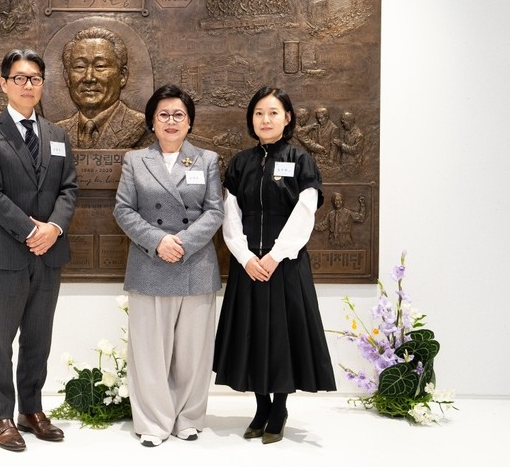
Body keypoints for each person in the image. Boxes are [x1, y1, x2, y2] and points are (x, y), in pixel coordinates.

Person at [0, 49, 78, 452]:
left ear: (42, 84)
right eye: (19, 78)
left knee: (38, 338)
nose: (27, 85)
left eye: (34, 78)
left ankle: (31, 410)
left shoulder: (57, 136)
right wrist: (31, 230)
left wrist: (54, 228)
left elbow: (69, 189)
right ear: (4, 84)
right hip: (4, 255)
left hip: (49, 254)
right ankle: (1, 416)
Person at [212, 86, 336, 445]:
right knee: (251, 333)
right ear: (251, 119)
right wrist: (246, 257)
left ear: (287, 118)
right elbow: (230, 214)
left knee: (282, 336)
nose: (265, 119)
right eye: (259, 113)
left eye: (273, 113)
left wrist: (275, 255)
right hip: (248, 265)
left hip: (286, 264)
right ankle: (261, 407)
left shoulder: (300, 160)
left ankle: (279, 409)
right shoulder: (240, 163)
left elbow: (305, 211)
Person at [113, 84, 224, 447]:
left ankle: (188, 417)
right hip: (150, 262)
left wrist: (183, 244)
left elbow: (215, 211)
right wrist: (159, 241)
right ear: (152, 121)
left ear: (189, 122)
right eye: (163, 114)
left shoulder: (207, 160)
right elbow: (123, 210)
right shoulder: (135, 160)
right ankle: (153, 422)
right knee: (149, 351)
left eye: (179, 114)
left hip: (195, 264)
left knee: (193, 351)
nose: (171, 121)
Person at [56, 27, 151, 149]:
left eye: (100, 66)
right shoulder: (57, 131)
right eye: (80, 66)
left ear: (122, 76)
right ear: (67, 77)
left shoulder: (143, 126)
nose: (89, 78)